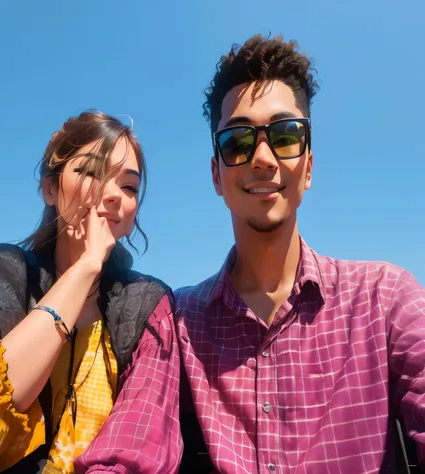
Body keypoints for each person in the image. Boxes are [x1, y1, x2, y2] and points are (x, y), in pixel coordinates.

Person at [174, 34, 425, 473]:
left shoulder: (385, 299)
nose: (264, 159)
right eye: (237, 141)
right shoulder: (180, 322)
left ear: (308, 166)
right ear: (216, 174)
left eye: (286, 135)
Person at [0, 111, 180, 473]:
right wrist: (86, 267)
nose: (112, 194)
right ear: (50, 188)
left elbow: (141, 443)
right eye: (91, 172)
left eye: (129, 186)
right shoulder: (9, 272)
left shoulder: (149, 304)